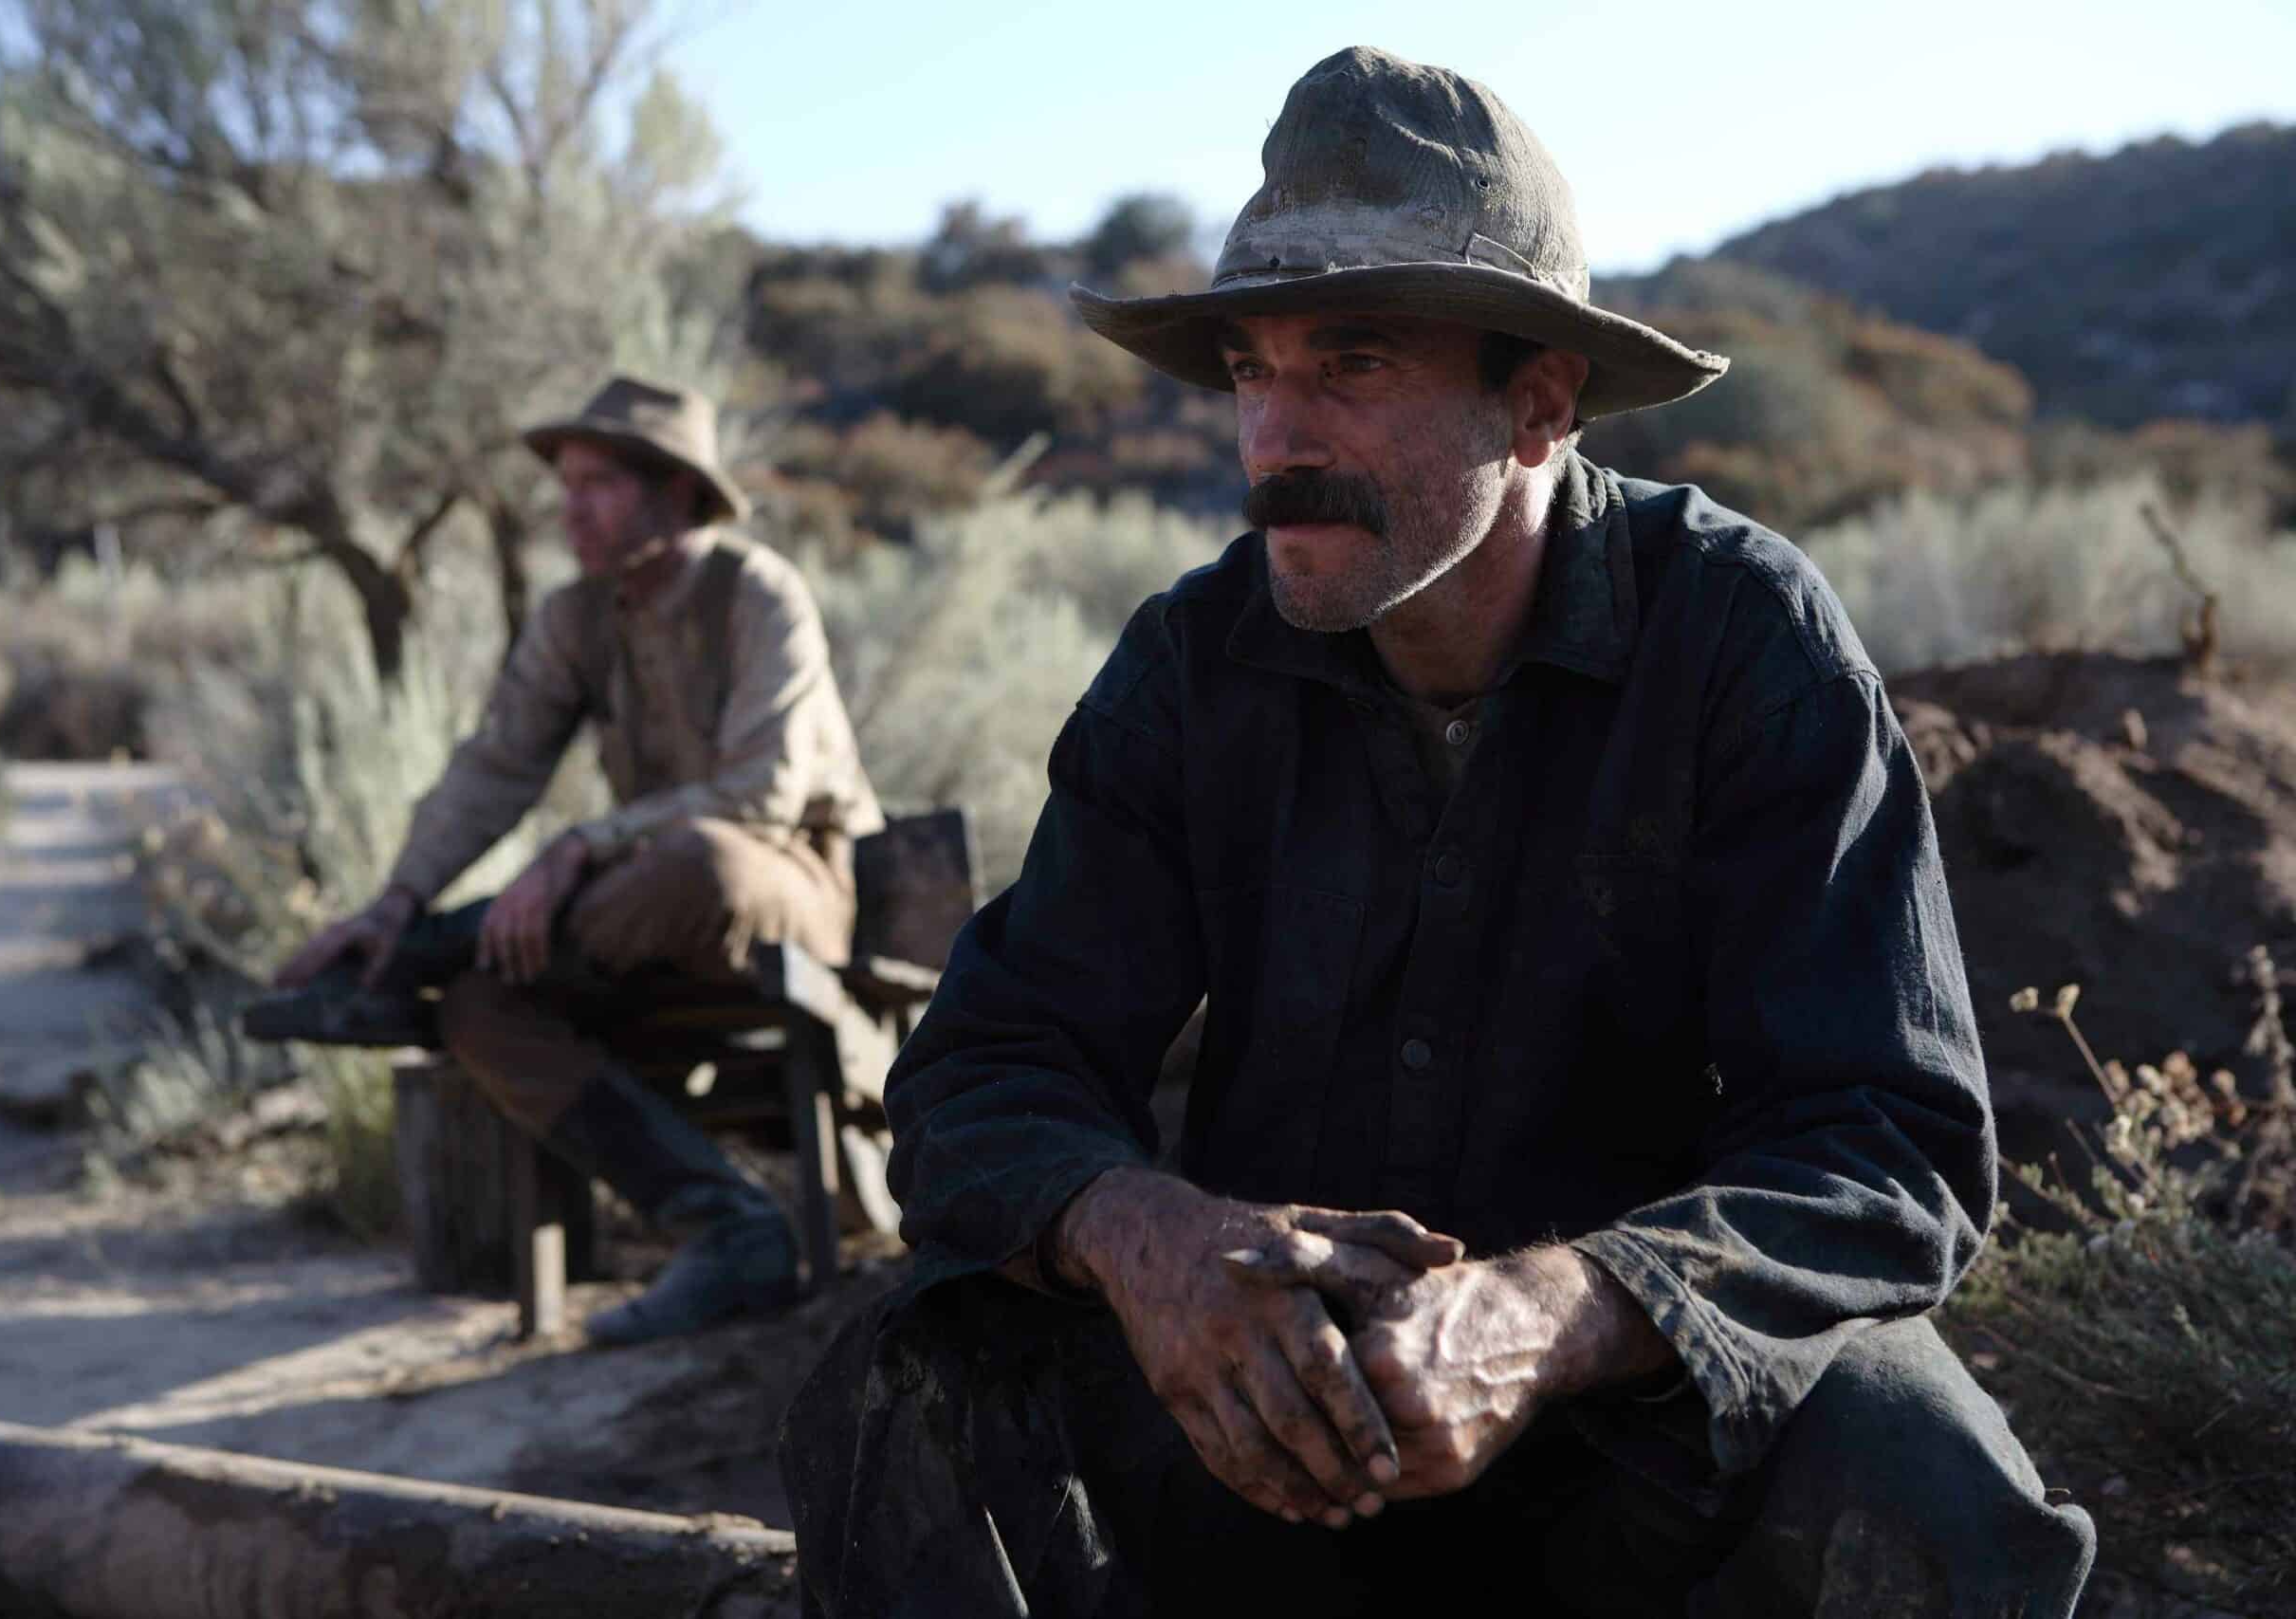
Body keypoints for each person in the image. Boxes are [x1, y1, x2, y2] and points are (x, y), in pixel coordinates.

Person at [781, 47, 2095, 1617]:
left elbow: (1891, 1143)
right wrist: (1152, 1243)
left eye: (1350, 365)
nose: (1273, 436)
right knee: (902, 1369)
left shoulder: (1744, 639)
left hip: (1631, 1441)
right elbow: (983, 1072)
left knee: (1915, 1450)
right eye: (1252, 372)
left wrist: (1561, 1309)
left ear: (1539, 401)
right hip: (1268, 1430)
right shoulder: (1193, 669)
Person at [262, 377, 883, 1345]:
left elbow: (762, 794)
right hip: (640, 911)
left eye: (597, 483)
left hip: (786, 883)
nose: (570, 508)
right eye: (566, 484)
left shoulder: (757, 594)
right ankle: (729, 1225)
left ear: (675, 493)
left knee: (704, 864)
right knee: (482, 1007)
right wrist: (396, 896)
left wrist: (578, 847)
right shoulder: (576, 617)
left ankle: (422, 954)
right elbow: (494, 766)